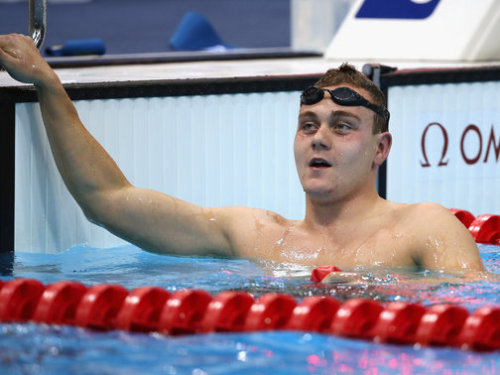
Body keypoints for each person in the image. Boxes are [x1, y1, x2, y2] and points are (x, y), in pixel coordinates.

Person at [0, 34, 485, 274]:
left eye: (342, 128)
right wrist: (48, 83)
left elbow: (472, 320)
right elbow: (107, 199)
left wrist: (379, 293)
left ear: (381, 149)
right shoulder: (253, 237)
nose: (319, 139)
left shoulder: (425, 227)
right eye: (308, 125)